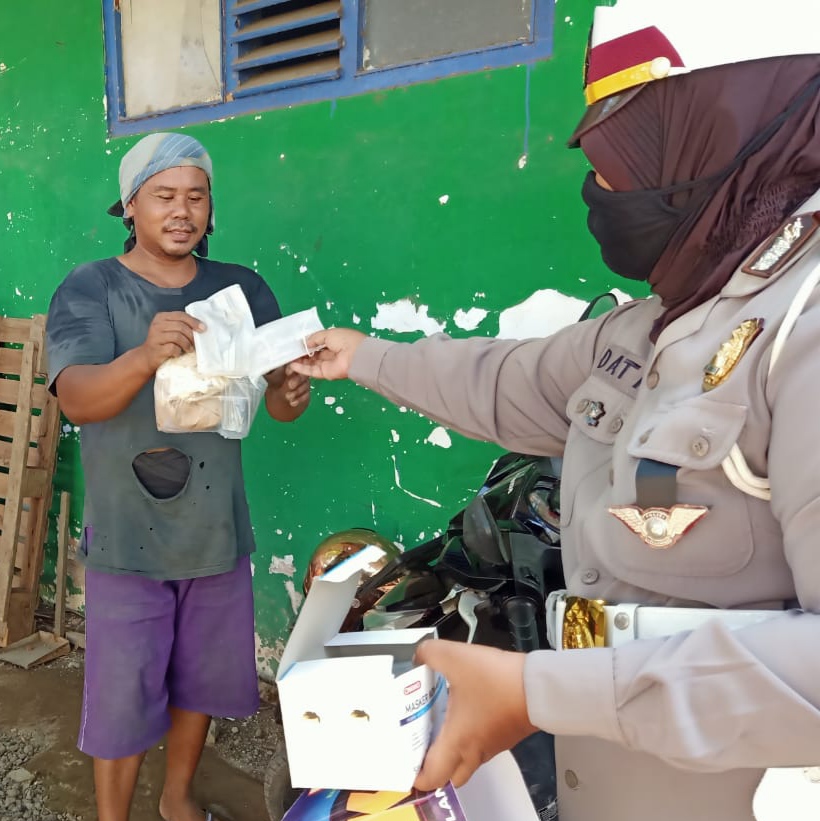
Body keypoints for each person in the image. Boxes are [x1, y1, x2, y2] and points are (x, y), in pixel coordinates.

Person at [292, 2, 820, 819]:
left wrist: (540, 691)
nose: (598, 184)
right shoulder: (668, 318)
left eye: (625, 149)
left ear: (723, 128)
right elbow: (505, 381)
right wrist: (362, 356)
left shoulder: (803, 327)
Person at [47, 132, 311, 821]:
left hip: (215, 528)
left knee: (200, 679)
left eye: (196, 195)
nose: (182, 210)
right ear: (131, 206)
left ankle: (177, 795)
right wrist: (142, 357)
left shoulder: (242, 288)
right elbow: (76, 396)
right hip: (126, 536)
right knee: (121, 693)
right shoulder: (93, 286)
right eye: (164, 195)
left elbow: (276, 407)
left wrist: (289, 390)